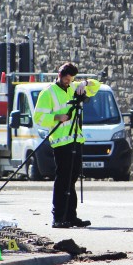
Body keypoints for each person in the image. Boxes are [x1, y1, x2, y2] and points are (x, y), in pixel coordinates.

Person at [34, 62, 100, 229]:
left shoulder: (74, 86)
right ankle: (58, 217)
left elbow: (96, 86)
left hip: (76, 139)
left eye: (71, 80)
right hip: (61, 141)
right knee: (63, 179)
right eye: (65, 79)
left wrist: (84, 83)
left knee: (73, 177)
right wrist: (57, 117)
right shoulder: (47, 93)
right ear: (59, 75)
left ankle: (71, 216)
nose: (68, 82)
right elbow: (38, 118)